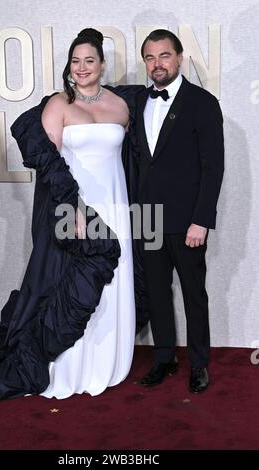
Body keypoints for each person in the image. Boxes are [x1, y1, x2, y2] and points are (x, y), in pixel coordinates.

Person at [0, 29, 141, 402]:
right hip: (74, 207)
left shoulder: (122, 107)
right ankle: (71, 367)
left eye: (89, 60)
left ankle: (108, 362)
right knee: (69, 283)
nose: (82, 68)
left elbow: (129, 159)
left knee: (112, 285)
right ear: (69, 67)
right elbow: (50, 163)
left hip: (116, 205)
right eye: (75, 61)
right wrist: (71, 207)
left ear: (102, 65)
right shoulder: (59, 104)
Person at [135, 29, 224, 393]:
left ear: (179, 57)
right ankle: (164, 357)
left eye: (164, 56)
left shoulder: (202, 103)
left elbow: (213, 167)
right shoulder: (139, 100)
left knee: (193, 294)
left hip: (188, 219)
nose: (157, 64)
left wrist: (201, 220)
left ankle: (199, 364)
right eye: (150, 58)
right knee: (156, 292)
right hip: (148, 218)